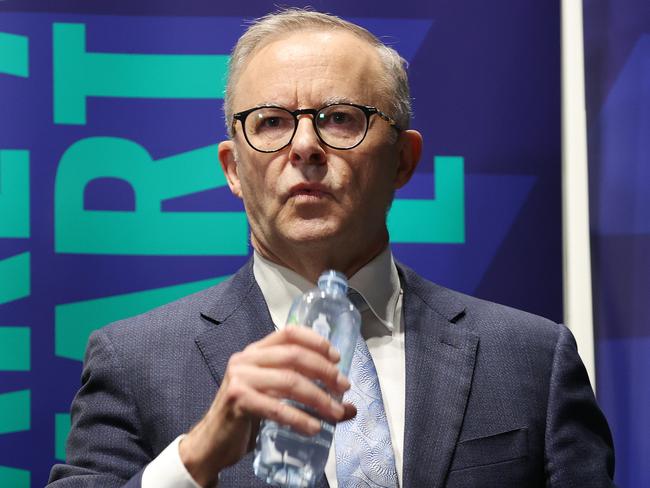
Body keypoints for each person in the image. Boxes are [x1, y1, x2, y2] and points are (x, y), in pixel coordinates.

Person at [48, 8, 615, 488]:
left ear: (404, 160)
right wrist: (193, 459)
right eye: (270, 123)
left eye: (341, 119)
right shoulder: (134, 362)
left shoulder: (532, 359)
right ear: (232, 169)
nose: (304, 147)